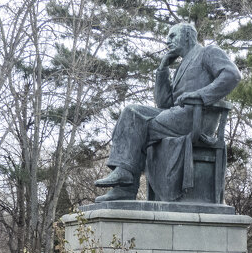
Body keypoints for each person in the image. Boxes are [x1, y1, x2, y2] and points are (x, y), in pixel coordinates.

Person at [94, 23, 242, 202]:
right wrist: (163, 68)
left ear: (187, 36)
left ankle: (125, 184)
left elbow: (232, 75)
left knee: (137, 120)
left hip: (198, 119)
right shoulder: (180, 66)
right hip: (177, 116)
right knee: (131, 113)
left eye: (172, 36)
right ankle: (125, 182)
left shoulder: (208, 53)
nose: (167, 41)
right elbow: (164, 102)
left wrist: (200, 95)